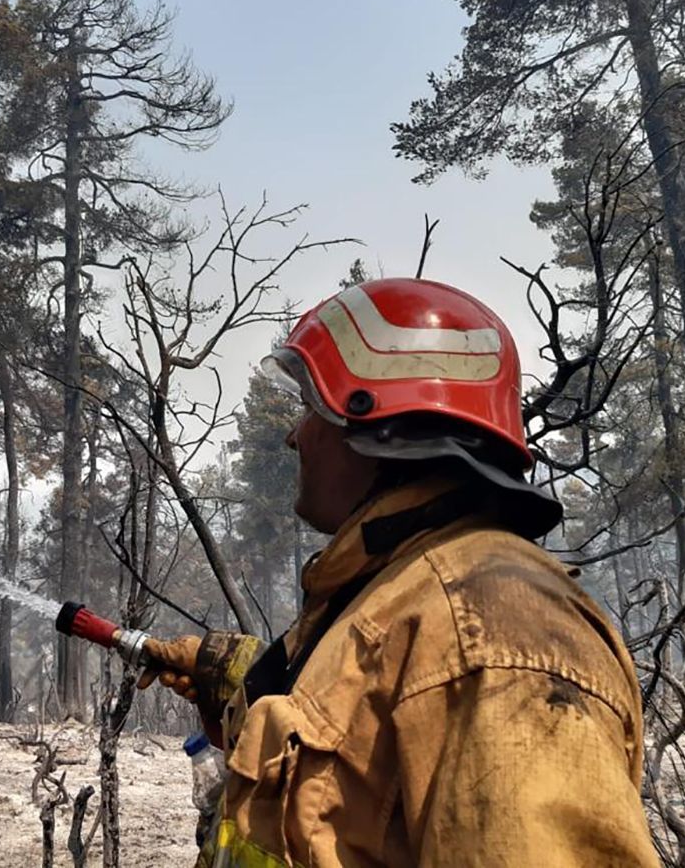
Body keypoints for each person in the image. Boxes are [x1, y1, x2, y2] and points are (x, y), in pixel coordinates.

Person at [138, 278, 658, 867]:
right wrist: (225, 672)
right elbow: (359, 736)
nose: (293, 435)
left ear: (374, 421)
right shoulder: (399, 590)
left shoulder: (495, 632)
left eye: (311, 409)